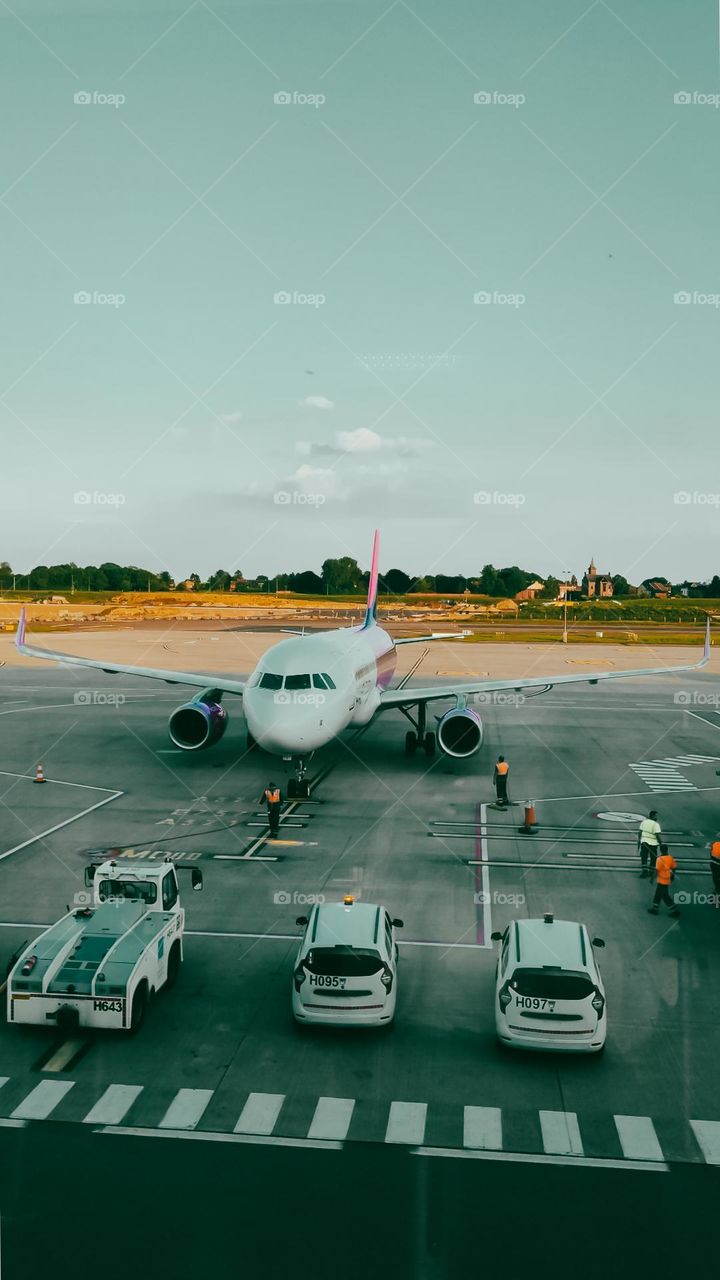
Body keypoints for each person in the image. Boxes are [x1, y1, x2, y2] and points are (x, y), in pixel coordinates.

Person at [647, 843, 680, 917]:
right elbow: (674, 867)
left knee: (665, 896)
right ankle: (655, 909)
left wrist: (652, 878)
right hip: (667, 879)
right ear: (667, 849)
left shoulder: (660, 859)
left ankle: (675, 911)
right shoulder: (670, 858)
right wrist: (672, 876)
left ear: (660, 850)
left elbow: (656, 871)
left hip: (662, 880)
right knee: (658, 895)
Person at [637, 809, 662, 878]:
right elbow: (657, 835)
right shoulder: (656, 824)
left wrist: (639, 840)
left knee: (644, 857)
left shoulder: (644, 822)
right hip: (653, 844)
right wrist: (661, 843)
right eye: (656, 816)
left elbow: (640, 832)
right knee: (653, 858)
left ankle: (644, 872)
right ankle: (651, 872)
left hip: (644, 843)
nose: (657, 818)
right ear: (653, 816)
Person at [710, 832, 720, 907]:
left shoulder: (714, 844)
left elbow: (711, 854)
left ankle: (714, 897)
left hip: (713, 865)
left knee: (716, 880)